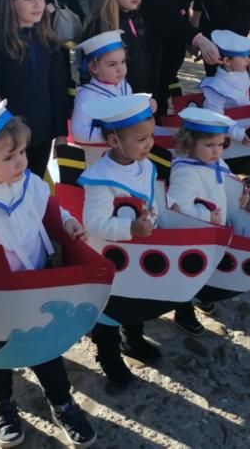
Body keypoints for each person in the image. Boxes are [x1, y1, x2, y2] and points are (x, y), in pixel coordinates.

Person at [0, 103, 97, 448]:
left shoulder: (28, 182)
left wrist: (69, 224)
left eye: (23, 152)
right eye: (9, 157)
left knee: (45, 347)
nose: (21, 162)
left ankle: (62, 402)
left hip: (37, 278)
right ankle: (1, 405)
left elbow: (48, 209)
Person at [79, 94, 161, 387]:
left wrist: (154, 217)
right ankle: (108, 355)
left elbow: (151, 199)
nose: (149, 144)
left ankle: (133, 340)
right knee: (108, 307)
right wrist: (130, 228)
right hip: (109, 255)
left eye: (150, 136)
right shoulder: (100, 178)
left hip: (137, 250)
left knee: (135, 297)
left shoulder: (145, 165)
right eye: (141, 139)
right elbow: (95, 223)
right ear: (114, 142)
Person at [167, 106, 250, 335]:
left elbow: (228, 181)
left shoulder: (216, 162)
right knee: (188, 273)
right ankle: (184, 311)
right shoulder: (185, 171)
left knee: (209, 268)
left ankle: (201, 295)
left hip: (215, 229)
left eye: (221, 145)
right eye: (209, 145)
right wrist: (205, 216)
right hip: (195, 234)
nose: (217, 151)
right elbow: (179, 208)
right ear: (190, 143)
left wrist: (239, 195)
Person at [0, 0, 70, 178]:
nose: (38, 5)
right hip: (11, 138)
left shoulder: (48, 42)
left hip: (42, 133)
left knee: (35, 182)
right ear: (11, 2)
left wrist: (61, 133)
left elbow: (58, 89)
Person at [82, 0, 151, 92]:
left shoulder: (138, 20)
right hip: (115, 103)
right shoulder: (100, 25)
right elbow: (90, 73)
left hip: (138, 100)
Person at [71, 30, 135, 143]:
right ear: (94, 68)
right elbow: (77, 132)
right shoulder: (87, 96)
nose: (120, 69)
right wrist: (108, 135)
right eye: (112, 64)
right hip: (100, 154)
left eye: (123, 62)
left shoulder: (125, 86)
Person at [198, 30, 250, 144]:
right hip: (226, 139)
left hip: (247, 126)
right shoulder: (216, 87)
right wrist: (238, 133)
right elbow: (215, 117)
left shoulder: (242, 74)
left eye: (248, 55)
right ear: (227, 61)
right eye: (243, 56)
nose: (248, 60)